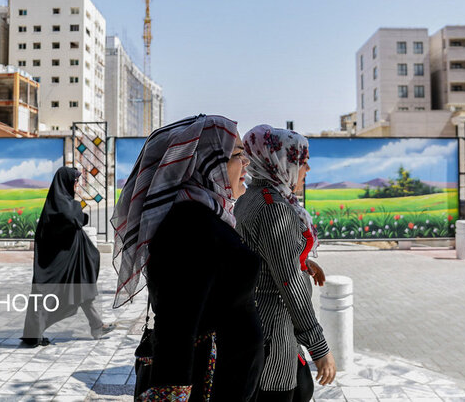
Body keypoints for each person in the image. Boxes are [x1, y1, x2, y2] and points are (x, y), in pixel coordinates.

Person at [111, 114, 264, 401]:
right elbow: (176, 326)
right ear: (206, 162)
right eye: (238, 155)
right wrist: (172, 393)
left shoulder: (205, 216)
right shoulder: (190, 225)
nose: (246, 164)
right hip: (211, 384)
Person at [234, 125, 336, 402]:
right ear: (281, 163)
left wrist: (305, 264)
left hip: (264, 327)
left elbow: (263, 256)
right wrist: (320, 349)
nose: (307, 170)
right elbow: (288, 284)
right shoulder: (273, 208)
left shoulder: (252, 197)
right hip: (273, 334)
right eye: (302, 162)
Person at [21, 166, 113, 347]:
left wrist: (80, 215)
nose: (78, 185)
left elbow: (74, 220)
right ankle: (33, 334)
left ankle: (97, 325)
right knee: (47, 296)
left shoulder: (62, 202)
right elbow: (70, 219)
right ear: (66, 183)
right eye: (76, 181)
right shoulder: (62, 204)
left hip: (71, 260)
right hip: (57, 262)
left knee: (81, 289)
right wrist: (79, 213)